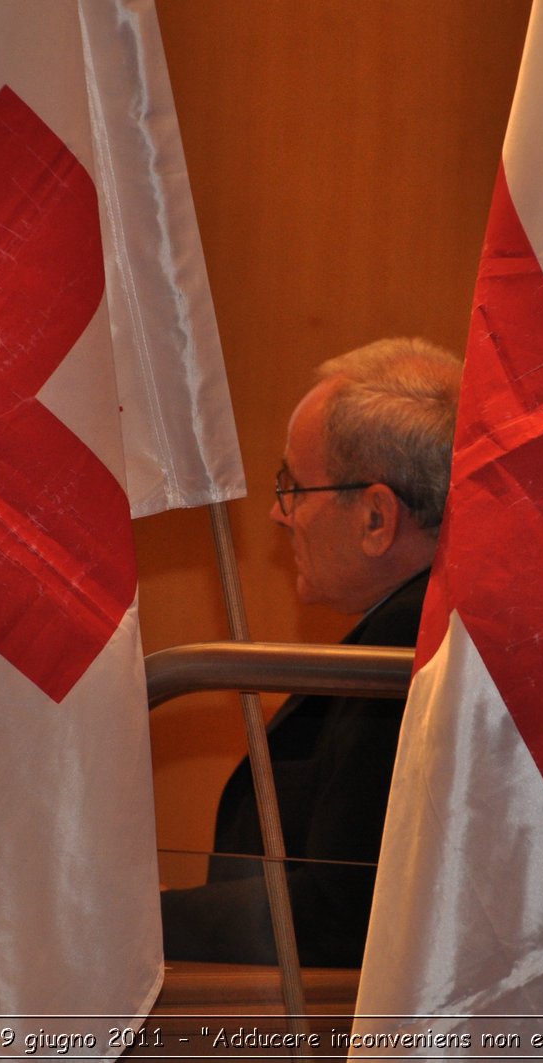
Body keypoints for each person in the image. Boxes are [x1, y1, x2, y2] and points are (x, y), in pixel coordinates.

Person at [161, 336, 462, 967]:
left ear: (376, 518)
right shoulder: (426, 625)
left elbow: (343, 915)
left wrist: (132, 922)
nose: (277, 513)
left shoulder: (412, 648)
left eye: (292, 486)